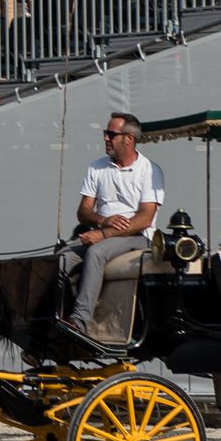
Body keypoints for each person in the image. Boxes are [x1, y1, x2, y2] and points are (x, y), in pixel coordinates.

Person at [62, 112, 163, 335]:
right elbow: (83, 211)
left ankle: (79, 321)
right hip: (103, 233)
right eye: (105, 134)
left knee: (96, 253)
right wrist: (103, 220)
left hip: (138, 237)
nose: (105, 138)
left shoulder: (150, 170)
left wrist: (105, 234)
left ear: (128, 138)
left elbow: (145, 218)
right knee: (59, 259)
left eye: (110, 134)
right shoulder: (97, 167)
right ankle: (56, 320)